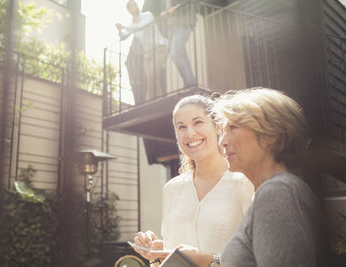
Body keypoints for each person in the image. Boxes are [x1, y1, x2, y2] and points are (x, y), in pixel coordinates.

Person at [167, 88, 325, 266]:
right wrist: (209, 259)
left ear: (269, 136)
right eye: (224, 130)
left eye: (233, 128)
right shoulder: (272, 191)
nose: (222, 141)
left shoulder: (278, 192)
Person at [132, 94, 254, 266]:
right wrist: (158, 253)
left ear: (218, 127)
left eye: (198, 122)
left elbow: (255, 256)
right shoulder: (172, 189)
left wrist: (211, 260)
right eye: (181, 127)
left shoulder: (244, 183)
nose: (190, 133)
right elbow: (170, 257)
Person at [116, 0, 169, 102]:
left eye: (136, 4)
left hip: (160, 47)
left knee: (152, 72)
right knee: (150, 77)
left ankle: (150, 99)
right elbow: (123, 36)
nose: (135, 6)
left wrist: (124, 26)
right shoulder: (131, 24)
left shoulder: (148, 15)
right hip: (148, 53)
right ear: (129, 10)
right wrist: (119, 30)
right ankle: (157, 98)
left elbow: (141, 26)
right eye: (133, 5)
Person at [160, 0, 196, 88]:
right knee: (182, 56)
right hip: (171, 30)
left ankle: (190, 85)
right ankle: (192, 84)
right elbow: (162, 14)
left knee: (175, 54)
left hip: (182, 25)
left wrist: (170, 11)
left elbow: (185, 3)